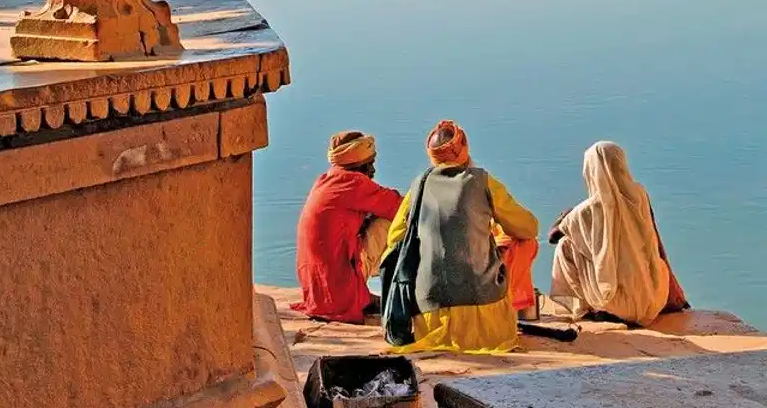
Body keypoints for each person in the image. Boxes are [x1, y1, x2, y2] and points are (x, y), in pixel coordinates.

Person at [382, 120, 539, 353]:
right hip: (483, 310)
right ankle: (519, 307)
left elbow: (395, 237)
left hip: (429, 311)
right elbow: (528, 228)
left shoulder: (419, 185)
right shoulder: (482, 181)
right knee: (527, 243)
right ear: (464, 148)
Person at [548, 141, 690, 327]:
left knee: (565, 246)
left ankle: (589, 306)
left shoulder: (588, 210)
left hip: (619, 304)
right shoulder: (639, 195)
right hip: (654, 297)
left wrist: (565, 217)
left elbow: (553, 237)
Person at [292, 131, 404, 324]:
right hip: (339, 295)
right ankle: (401, 296)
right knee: (397, 222)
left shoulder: (325, 180)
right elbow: (400, 207)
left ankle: (363, 295)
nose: (373, 171)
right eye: (371, 164)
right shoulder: (354, 182)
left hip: (317, 294)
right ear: (361, 165)